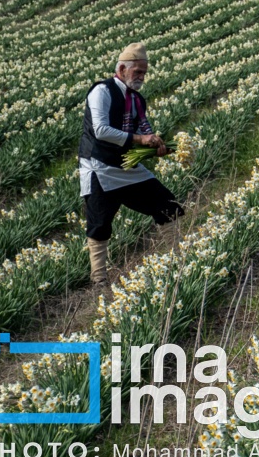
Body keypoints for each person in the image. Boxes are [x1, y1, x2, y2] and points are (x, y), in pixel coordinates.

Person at [79, 43, 185, 285]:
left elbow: (143, 129)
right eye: (137, 72)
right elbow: (101, 130)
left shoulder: (137, 99)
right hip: (99, 165)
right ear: (121, 68)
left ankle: (179, 261)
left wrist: (157, 147)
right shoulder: (102, 91)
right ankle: (100, 281)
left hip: (126, 166)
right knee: (100, 225)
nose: (141, 77)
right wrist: (140, 139)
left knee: (167, 205)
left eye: (144, 73)